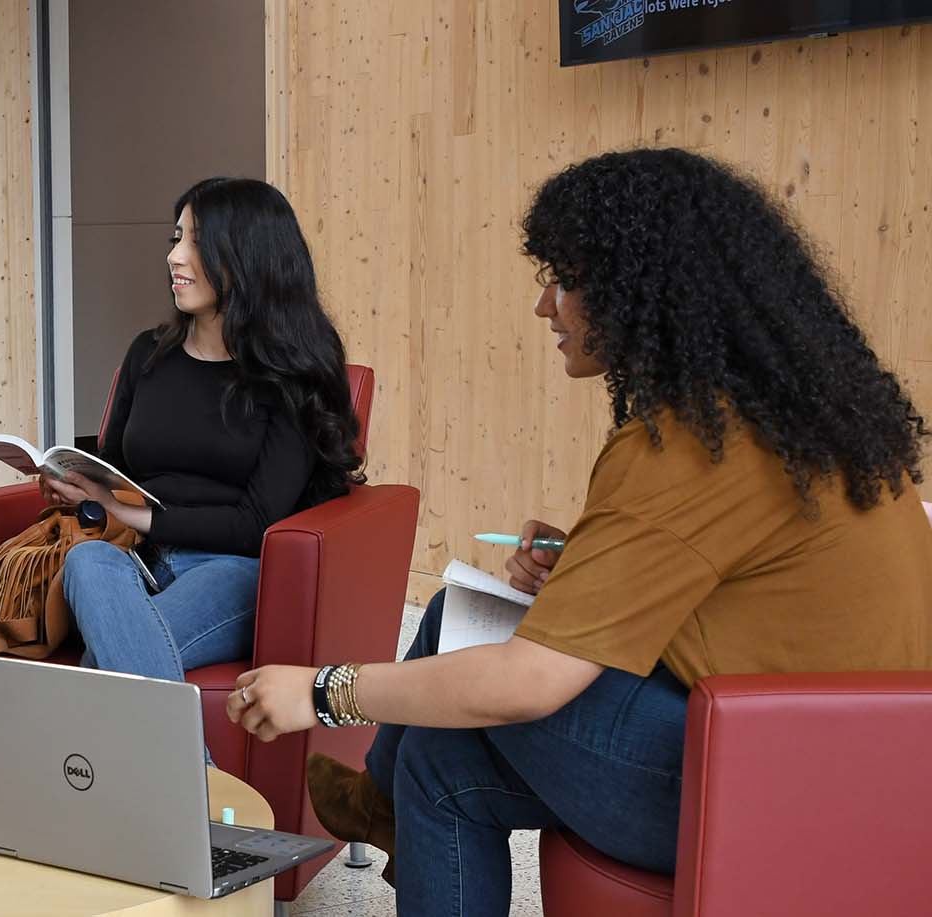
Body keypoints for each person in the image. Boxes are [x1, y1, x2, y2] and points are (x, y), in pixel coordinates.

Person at [227, 149, 932, 916]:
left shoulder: (690, 445)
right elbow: (743, 590)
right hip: (869, 768)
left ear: (639, 294)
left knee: (458, 681)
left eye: (561, 280)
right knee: (440, 747)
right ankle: (382, 802)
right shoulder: (796, 415)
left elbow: (526, 683)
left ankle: (376, 802)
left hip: (769, 788)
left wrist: (326, 690)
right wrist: (587, 561)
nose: (544, 306)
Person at [43, 177, 364, 686]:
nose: (176, 255)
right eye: (176, 238)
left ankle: (186, 767)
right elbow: (120, 466)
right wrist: (83, 485)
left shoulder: (294, 375)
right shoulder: (147, 354)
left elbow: (256, 521)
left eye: (196, 241)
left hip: (233, 569)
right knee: (87, 562)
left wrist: (132, 513)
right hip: (137, 560)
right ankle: (202, 770)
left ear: (247, 257)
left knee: (115, 658)